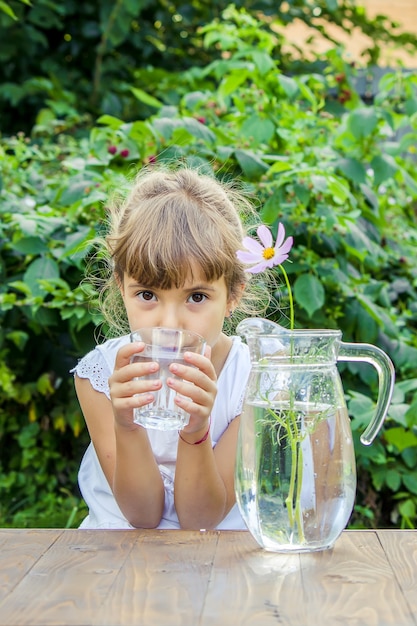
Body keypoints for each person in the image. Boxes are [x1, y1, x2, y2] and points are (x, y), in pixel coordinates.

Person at [71, 165, 268, 530]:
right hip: (117, 564)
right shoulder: (100, 375)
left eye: (196, 296)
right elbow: (141, 517)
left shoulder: (254, 380)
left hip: (219, 565)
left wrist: (196, 431)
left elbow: (202, 519)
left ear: (233, 296)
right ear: (120, 286)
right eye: (147, 295)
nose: (169, 324)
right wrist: (126, 426)